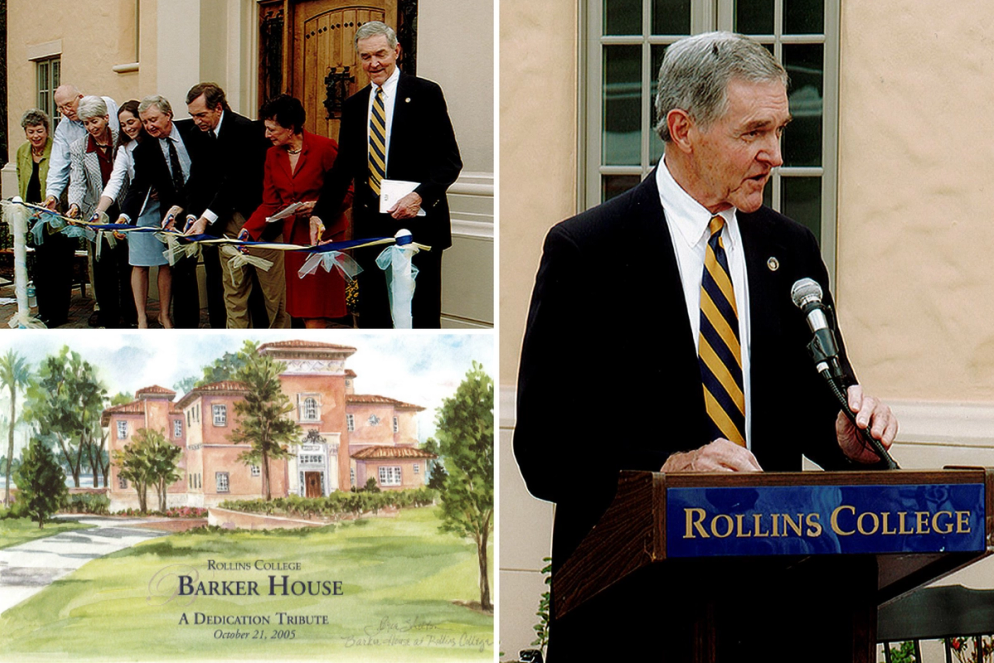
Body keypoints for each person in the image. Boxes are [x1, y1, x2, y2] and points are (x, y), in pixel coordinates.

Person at [513, 32, 898, 660]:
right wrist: (669, 466)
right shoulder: (588, 252)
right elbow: (545, 446)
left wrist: (844, 436)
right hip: (636, 614)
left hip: (777, 610)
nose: (775, 154)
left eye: (781, 130)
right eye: (753, 133)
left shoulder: (789, 248)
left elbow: (809, 405)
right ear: (682, 128)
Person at [310, 20, 462, 328]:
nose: (373, 63)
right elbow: (343, 169)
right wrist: (320, 215)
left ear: (397, 51)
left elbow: (449, 161)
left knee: (420, 317)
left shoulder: (426, 93)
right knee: (374, 316)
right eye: (365, 57)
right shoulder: (354, 106)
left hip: (418, 224)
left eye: (380, 54)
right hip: (371, 228)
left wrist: (418, 196)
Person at [241, 95, 352, 328]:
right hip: (294, 241)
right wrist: (247, 231)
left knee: (316, 308)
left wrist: (318, 206)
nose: (267, 135)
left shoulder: (324, 147)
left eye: (272, 129)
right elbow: (269, 203)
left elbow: (347, 191)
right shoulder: (273, 154)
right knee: (302, 308)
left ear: (290, 128)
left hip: (324, 238)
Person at [182, 82, 286, 328]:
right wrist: (191, 214)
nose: (196, 121)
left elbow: (234, 181)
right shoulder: (196, 135)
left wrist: (205, 218)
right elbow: (198, 179)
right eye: (192, 116)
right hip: (225, 223)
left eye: (201, 115)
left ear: (218, 108)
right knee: (234, 292)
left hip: (259, 223)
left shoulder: (245, 130)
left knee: (273, 296)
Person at [117, 95, 201, 328]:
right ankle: (187, 330)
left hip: (207, 206)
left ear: (169, 115)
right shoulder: (144, 151)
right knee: (183, 273)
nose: (149, 126)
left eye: (153, 119)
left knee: (216, 272)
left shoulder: (194, 131)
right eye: (145, 122)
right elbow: (137, 188)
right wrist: (125, 217)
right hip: (174, 215)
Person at [94, 100, 172, 328]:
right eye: (123, 124)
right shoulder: (124, 150)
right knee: (139, 265)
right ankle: (141, 317)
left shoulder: (158, 142)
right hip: (138, 210)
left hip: (164, 209)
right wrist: (100, 210)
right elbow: (116, 183)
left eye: (132, 122)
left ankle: (164, 314)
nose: (128, 128)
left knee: (165, 264)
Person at [66, 96, 136, 328]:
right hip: (98, 212)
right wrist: (75, 205)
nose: (91, 127)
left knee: (128, 264)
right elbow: (77, 182)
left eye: (94, 121)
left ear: (106, 118)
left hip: (124, 208)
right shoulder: (79, 148)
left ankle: (131, 313)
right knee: (102, 265)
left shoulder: (122, 140)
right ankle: (108, 315)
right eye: (86, 123)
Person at [16, 109, 74, 327]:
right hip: (33, 219)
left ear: (47, 130)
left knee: (59, 267)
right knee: (41, 268)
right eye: (31, 132)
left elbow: (64, 181)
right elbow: (22, 179)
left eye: (39, 131)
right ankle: (44, 310)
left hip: (56, 218)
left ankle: (59, 314)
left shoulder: (57, 150)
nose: (36, 136)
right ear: (25, 133)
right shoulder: (23, 151)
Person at [43, 84, 119, 210]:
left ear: (81, 97)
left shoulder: (107, 105)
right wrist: (52, 195)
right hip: (92, 198)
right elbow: (59, 165)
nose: (66, 111)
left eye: (68, 105)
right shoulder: (64, 130)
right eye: (61, 108)